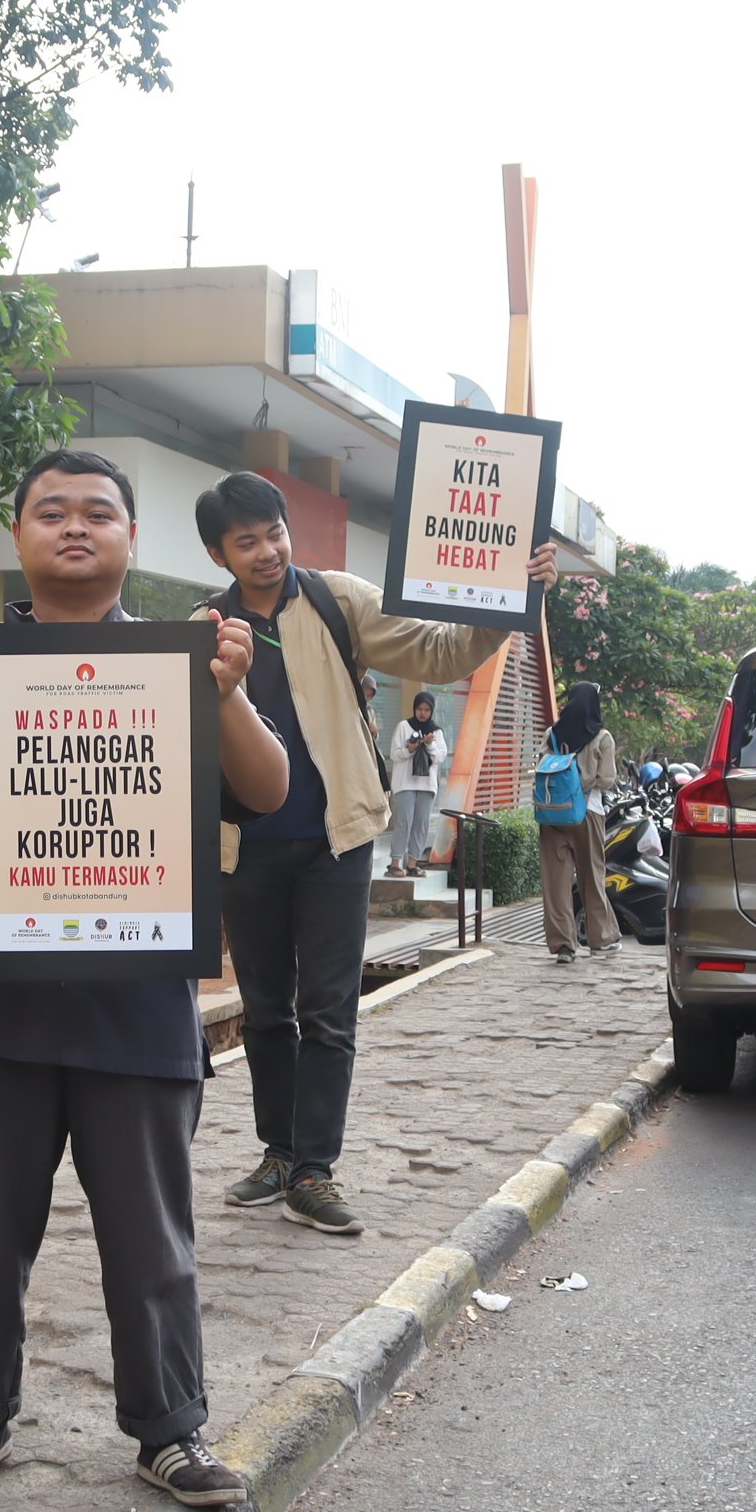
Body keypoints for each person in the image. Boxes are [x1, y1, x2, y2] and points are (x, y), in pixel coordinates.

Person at [0, 449, 291, 1508]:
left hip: (139, 1009)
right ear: (18, 537)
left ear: (130, 540)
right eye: (50, 512)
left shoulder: (183, 663)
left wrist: (229, 696)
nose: (74, 527)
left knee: (153, 1241)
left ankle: (171, 1429)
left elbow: (268, 788)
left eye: (98, 513)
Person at [197, 471, 558, 1237]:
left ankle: (314, 1172)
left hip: (337, 839)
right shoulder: (206, 627)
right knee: (265, 1013)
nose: (267, 551)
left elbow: (436, 651)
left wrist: (511, 599)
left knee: (327, 1011)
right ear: (217, 552)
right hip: (244, 848)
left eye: (274, 532)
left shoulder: (335, 599)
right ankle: (277, 1151)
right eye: (246, 541)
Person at [539, 680, 621, 962]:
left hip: (552, 814)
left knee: (555, 882)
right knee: (592, 876)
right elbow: (608, 780)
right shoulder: (602, 737)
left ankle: (563, 945)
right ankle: (602, 938)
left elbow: (542, 766)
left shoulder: (552, 733)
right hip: (588, 812)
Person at [387, 692, 447, 876]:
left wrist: (428, 744)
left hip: (426, 785)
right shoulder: (403, 726)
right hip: (405, 783)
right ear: (414, 708)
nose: (422, 713)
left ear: (431, 711)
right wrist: (410, 748)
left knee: (421, 824)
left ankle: (412, 864)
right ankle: (395, 863)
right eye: (419, 709)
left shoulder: (436, 731)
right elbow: (394, 754)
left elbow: (439, 757)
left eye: (426, 709)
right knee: (403, 822)